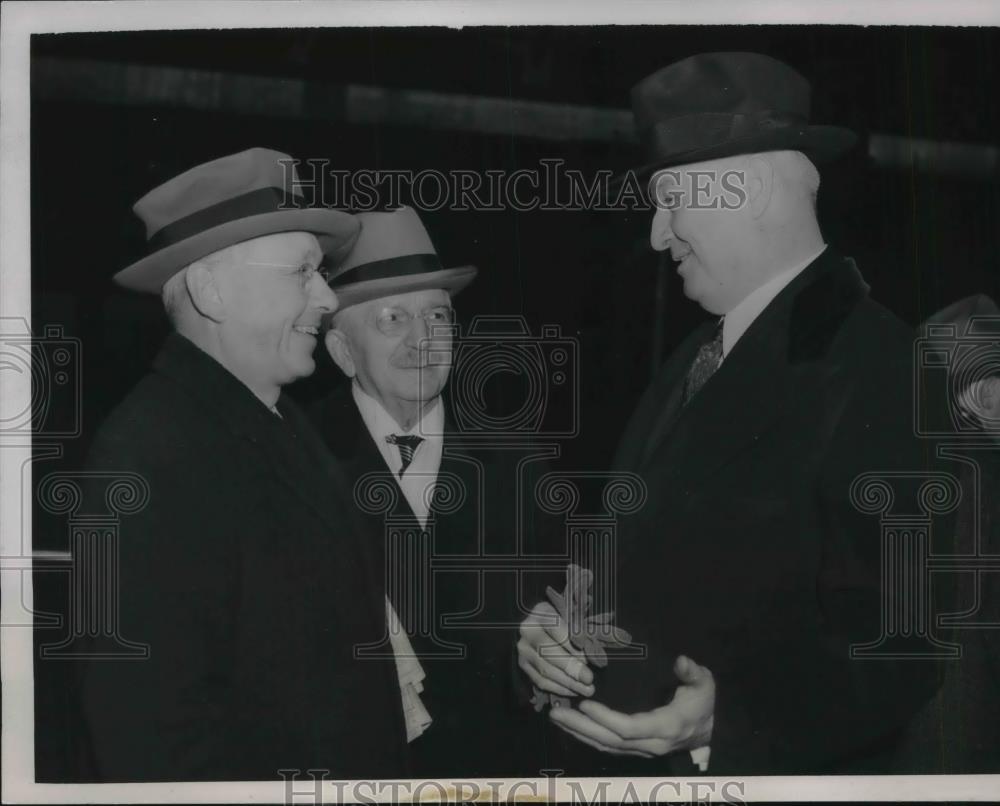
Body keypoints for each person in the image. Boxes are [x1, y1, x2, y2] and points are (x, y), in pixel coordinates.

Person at [518, 52, 946, 775]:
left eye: (672, 201)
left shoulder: (883, 365)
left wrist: (728, 719)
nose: (657, 236)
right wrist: (560, 637)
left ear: (744, 189)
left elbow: (903, 644)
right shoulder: (696, 355)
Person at [77, 148, 409, 781]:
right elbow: (153, 740)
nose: (326, 296)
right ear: (211, 290)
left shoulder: (270, 417)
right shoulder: (150, 455)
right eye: (302, 272)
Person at [310, 206, 549, 776]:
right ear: (342, 351)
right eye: (394, 318)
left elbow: (543, 639)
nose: (426, 341)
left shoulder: (520, 463)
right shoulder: (301, 455)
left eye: (438, 318)